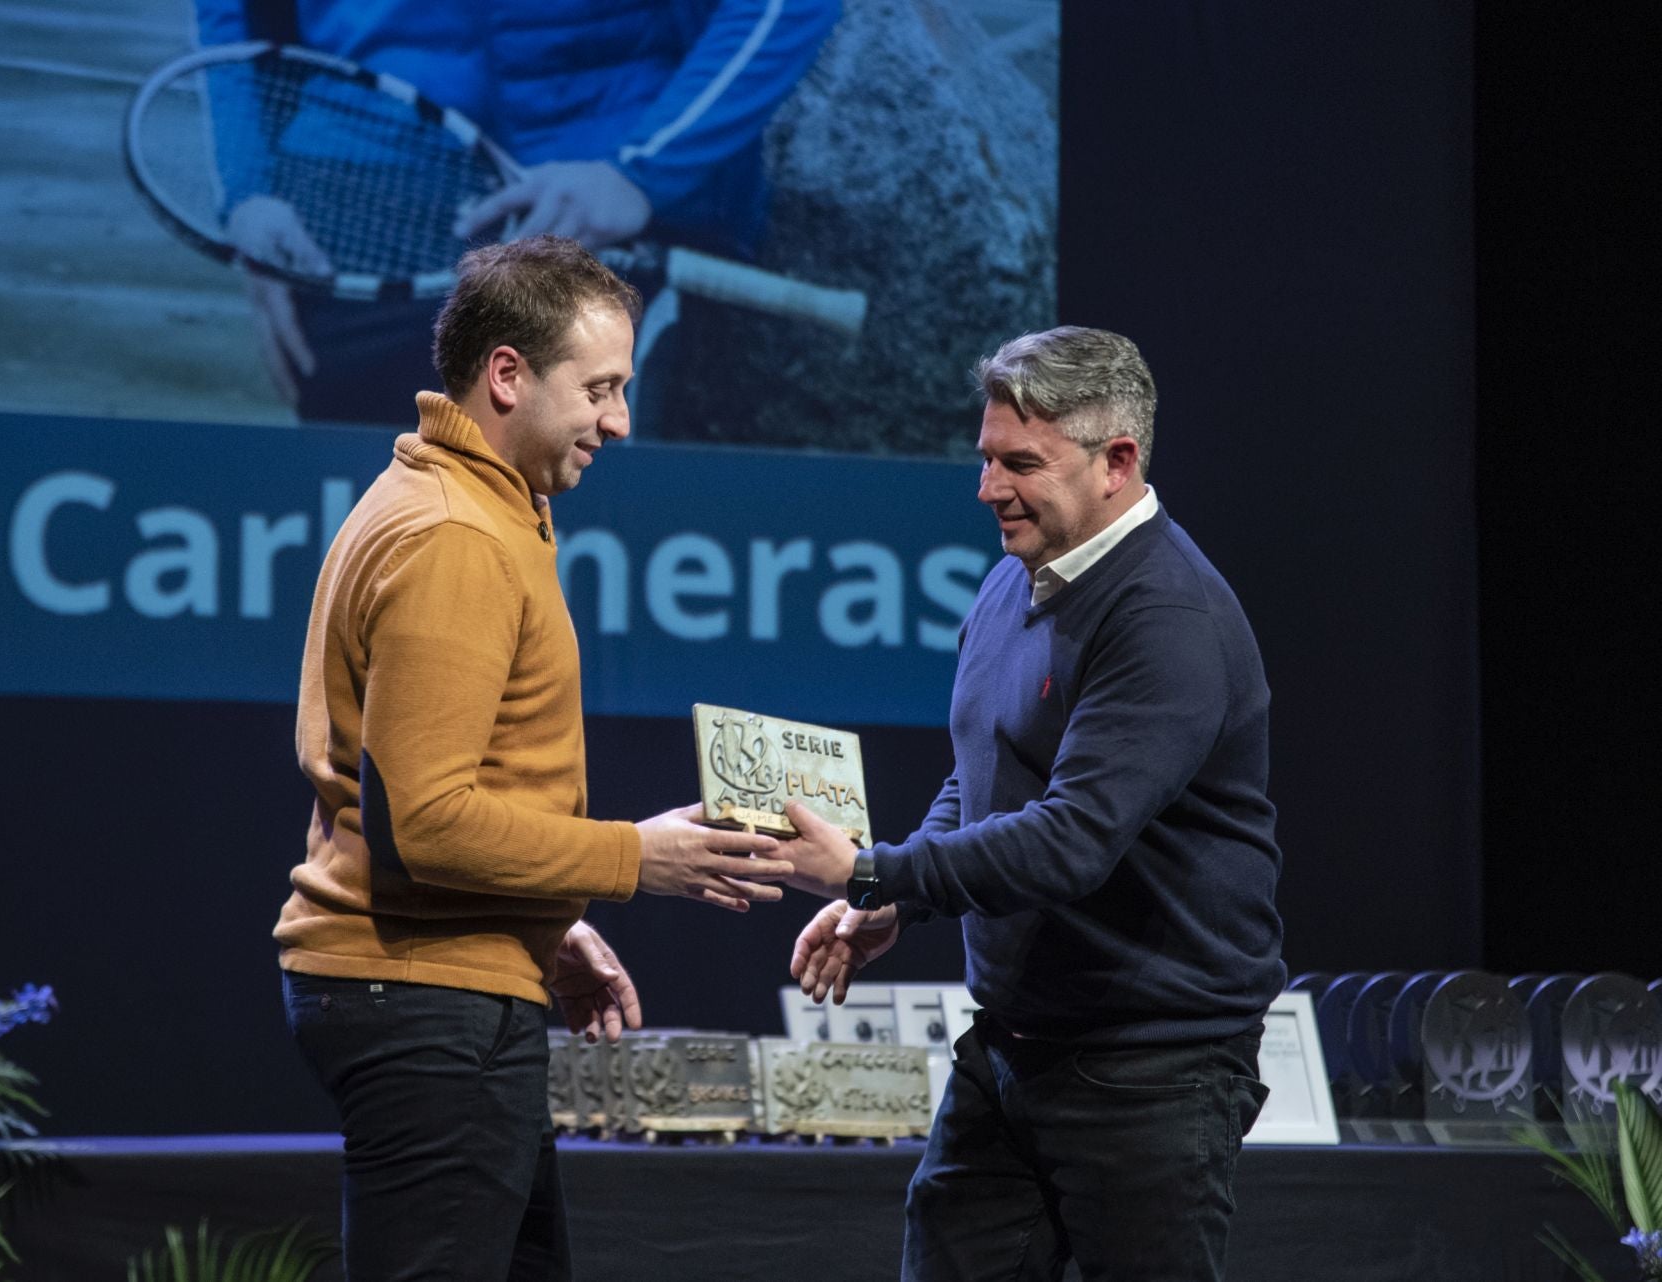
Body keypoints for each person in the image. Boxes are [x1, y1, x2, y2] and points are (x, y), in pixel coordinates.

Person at [277, 235, 794, 1281]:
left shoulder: (481, 509)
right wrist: (631, 858)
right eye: (599, 388)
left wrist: (547, 920)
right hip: (422, 998)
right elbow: (424, 825)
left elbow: (455, 796)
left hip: (451, 986)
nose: (621, 420)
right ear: (507, 374)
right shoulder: (455, 535)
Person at [780, 326, 1285, 1282]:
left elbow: (1068, 844)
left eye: (1021, 464)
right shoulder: (1018, 580)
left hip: (1152, 1069)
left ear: (1118, 463)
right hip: (1014, 1046)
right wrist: (896, 898)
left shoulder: (1165, 616)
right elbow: (981, 775)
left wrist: (869, 866)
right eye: (985, 459)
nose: (988, 489)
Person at [193, 0, 841, 423]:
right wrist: (252, 194)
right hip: (357, 210)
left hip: (601, 204)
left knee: (591, 571)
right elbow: (233, 17)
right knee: (387, 574)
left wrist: (640, 174)